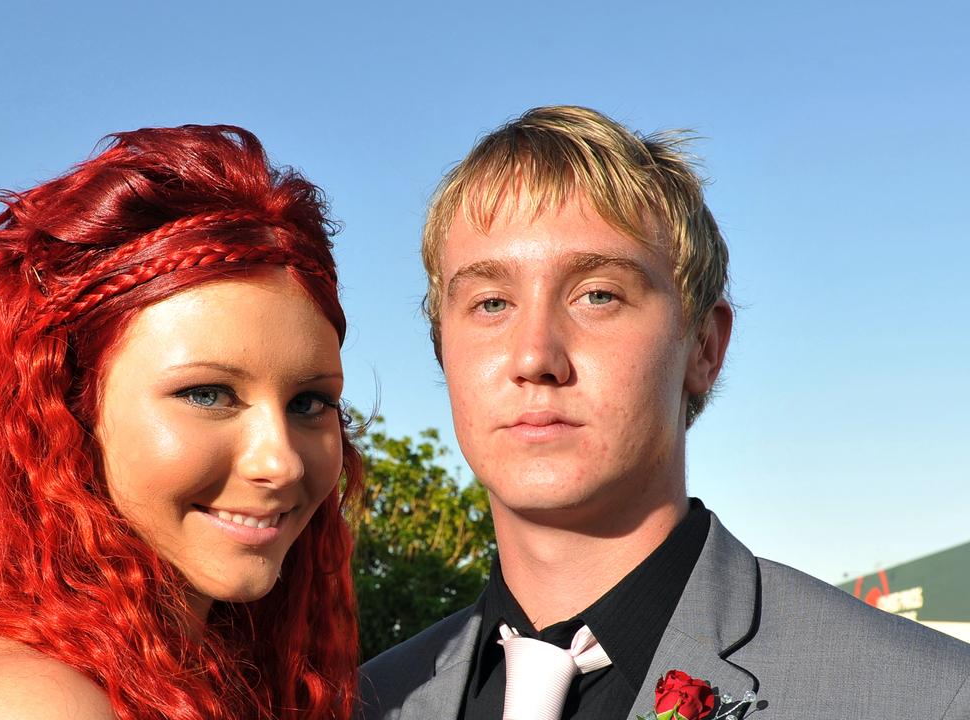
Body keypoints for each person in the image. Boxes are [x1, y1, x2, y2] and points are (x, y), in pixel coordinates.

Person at [359, 106, 970, 720]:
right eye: (491, 303)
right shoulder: (363, 702)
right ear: (443, 351)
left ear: (704, 346)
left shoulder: (930, 696)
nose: (535, 356)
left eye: (598, 295)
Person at [0, 125, 362, 720]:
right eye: (207, 394)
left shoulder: (216, 673)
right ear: (66, 413)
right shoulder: (32, 707)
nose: (280, 462)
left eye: (308, 403)